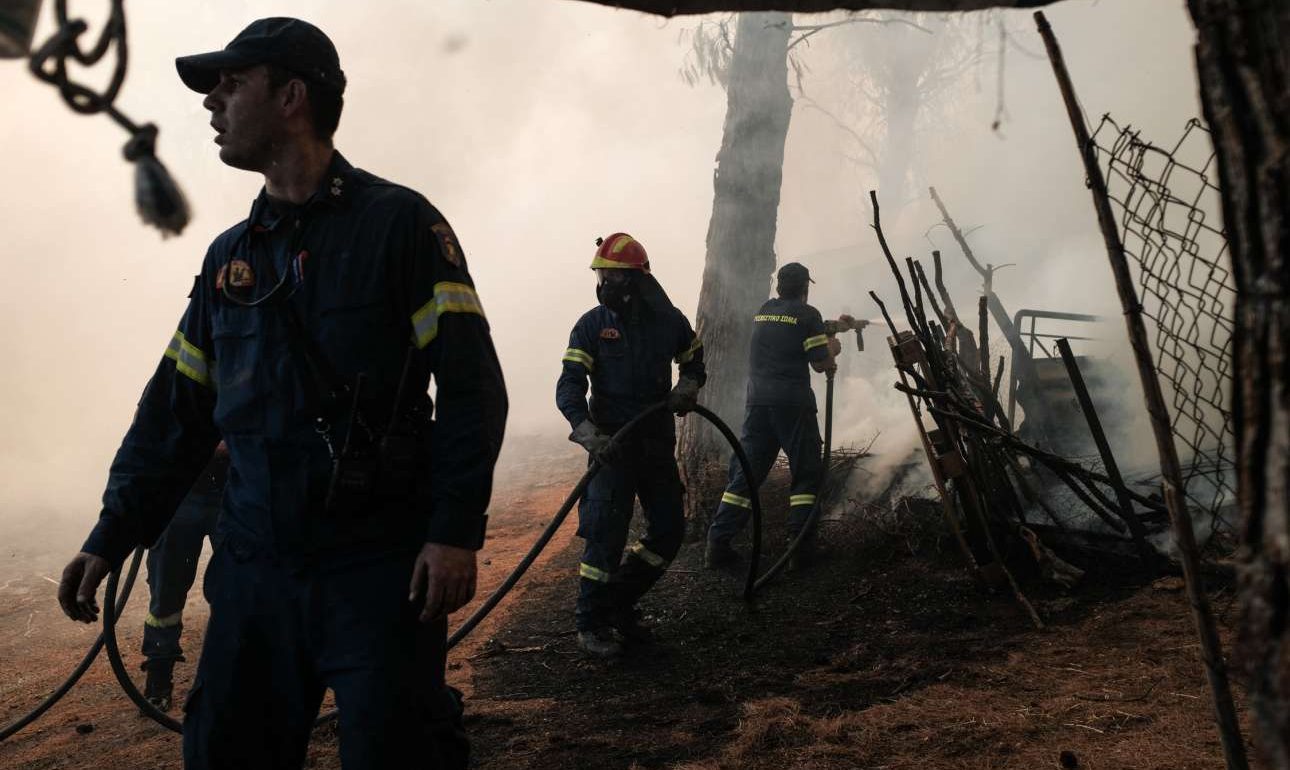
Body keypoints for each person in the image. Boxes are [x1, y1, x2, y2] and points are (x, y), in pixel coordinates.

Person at [55, 17, 507, 769]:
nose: (212, 105)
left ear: (292, 95)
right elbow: (177, 408)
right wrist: (113, 531)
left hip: (378, 570)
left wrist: (454, 530)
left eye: (232, 85)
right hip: (255, 573)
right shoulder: (229, 257)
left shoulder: (400, 225)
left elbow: (471, 386)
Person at [555, 233, 704, 658]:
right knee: (605, 535)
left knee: (669, 531)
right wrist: (587, 432)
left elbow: (693, 357)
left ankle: (617, 602)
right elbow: (569, 386)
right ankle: (590, 623)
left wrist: (688, 384)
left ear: (635, 279)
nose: (603, 282)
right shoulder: (591, 325)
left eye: (611, 275)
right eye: (601, 274)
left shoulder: (667, 320)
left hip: (655, 442)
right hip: (611, 449)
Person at [705, 262, 843, 571]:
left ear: (780, 287)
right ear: (806, 288)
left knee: (747, 474)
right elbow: (820, 363)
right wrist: (832, 348)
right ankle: (800, 549)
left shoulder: (765, 311)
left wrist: (835, 326)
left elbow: (793, 329)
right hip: (793, 405)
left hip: (758, 405)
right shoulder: (809, 315)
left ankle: (718, 543)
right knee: (807, 472)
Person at [140, 442, 229, 713]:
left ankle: (243, 681)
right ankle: (158, 680)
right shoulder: (170, 396)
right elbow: (149, 432)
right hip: (178, 498)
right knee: (165, 595)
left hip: (235, 493)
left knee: (244, 592)